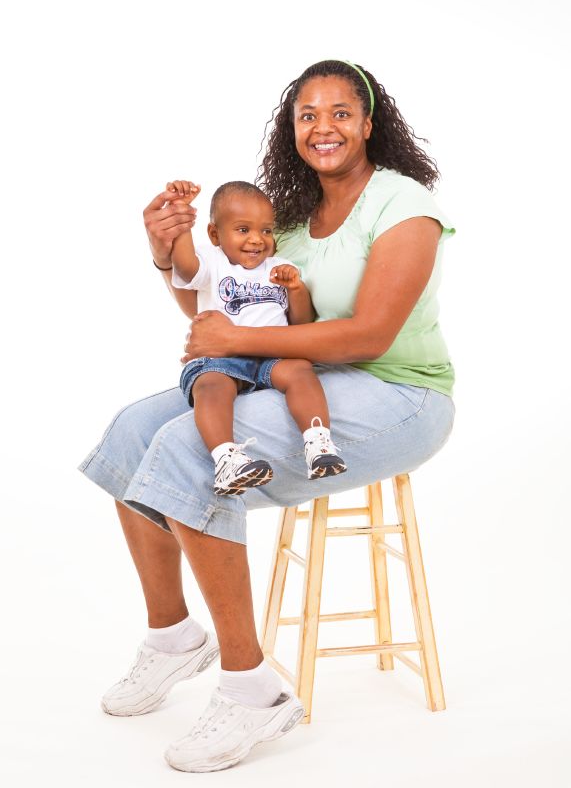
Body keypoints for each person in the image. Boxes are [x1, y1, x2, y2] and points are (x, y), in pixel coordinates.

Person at [79, 59, 456, 773]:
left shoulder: (405, 207)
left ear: (370, 124)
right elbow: (226, 317)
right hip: (303, 378)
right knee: (134, 431)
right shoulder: (286, 219)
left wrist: (240, 341)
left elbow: (369, 335)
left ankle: (252, 691)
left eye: (340, 112)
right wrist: (167, 258)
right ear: (292, 130)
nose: (323, 127)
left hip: (399, 394)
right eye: (307, 115)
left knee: (191, 449)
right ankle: (172, 638)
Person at [169, 178, 347, 496]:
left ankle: (319, 443)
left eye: (266, 230)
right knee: (210, 386)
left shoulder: (280, 267)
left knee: (300, 371)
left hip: (272, 356)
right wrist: (182, 219)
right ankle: (227, 459)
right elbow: (182, 269)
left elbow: (300, 323)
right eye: (243, 230)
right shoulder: (213, 262)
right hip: (222, 360)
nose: (257, 240)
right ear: (214, 235)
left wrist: (295, 289)